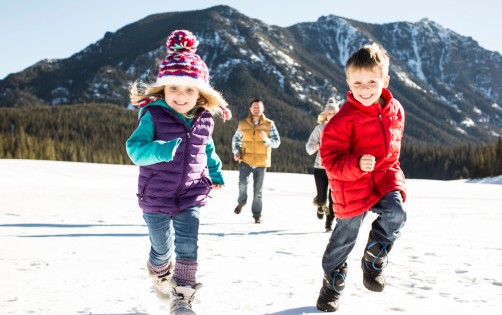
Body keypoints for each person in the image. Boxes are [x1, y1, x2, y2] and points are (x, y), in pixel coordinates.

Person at [125, 29, 231, 315]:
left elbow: (207, 149)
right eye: (173, 88)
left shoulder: (204, 118)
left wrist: (216, 173)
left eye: (188, 89)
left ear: (200, 92)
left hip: (192, 192)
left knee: (188, 246)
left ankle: (182, 299)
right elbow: (134, 149)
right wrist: (159, 150)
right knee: (162, 250)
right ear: (163, 89)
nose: (180, 96)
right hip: (156, 196)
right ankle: (160, 272)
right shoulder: (153, 115)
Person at [315, 43, 407, 312]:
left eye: (372, 82)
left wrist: (393, 175)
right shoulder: (342, 120)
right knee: (343, 240)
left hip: (384, 178)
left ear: (385, 81)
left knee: (397, 214)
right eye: (358, 83)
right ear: (348, 82)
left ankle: (374, 256)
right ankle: (332, 284)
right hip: (351, 185)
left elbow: (394, 148)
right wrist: (356, 163)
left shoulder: (396, 110)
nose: (365, 89)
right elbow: (330, 160)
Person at [231, 99, 281, 223]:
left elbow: (277, 142)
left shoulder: (269, 124)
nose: (256, 109)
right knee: (242, 184)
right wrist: (236, 151)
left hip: (261, 162)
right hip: (245, 159)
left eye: (259, 107)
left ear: (263, 109)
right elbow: (236, 139)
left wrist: (267, 140)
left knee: (258, 191)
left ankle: (257, 214)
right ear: (250, 109)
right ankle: (242, 202)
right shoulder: (243, 123)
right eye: (254, 107)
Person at [305, 97, 339, 231]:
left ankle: (329, 223)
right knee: (321, 197)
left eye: (335, 113)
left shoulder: (343, 127)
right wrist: (318, 145)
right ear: (326, 114)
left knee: (334, 198)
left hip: (336, 167)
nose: (332, 115)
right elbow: (308, 148)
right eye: (330, 113)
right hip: (320, 167)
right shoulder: (319, 129)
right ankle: (320, 205)